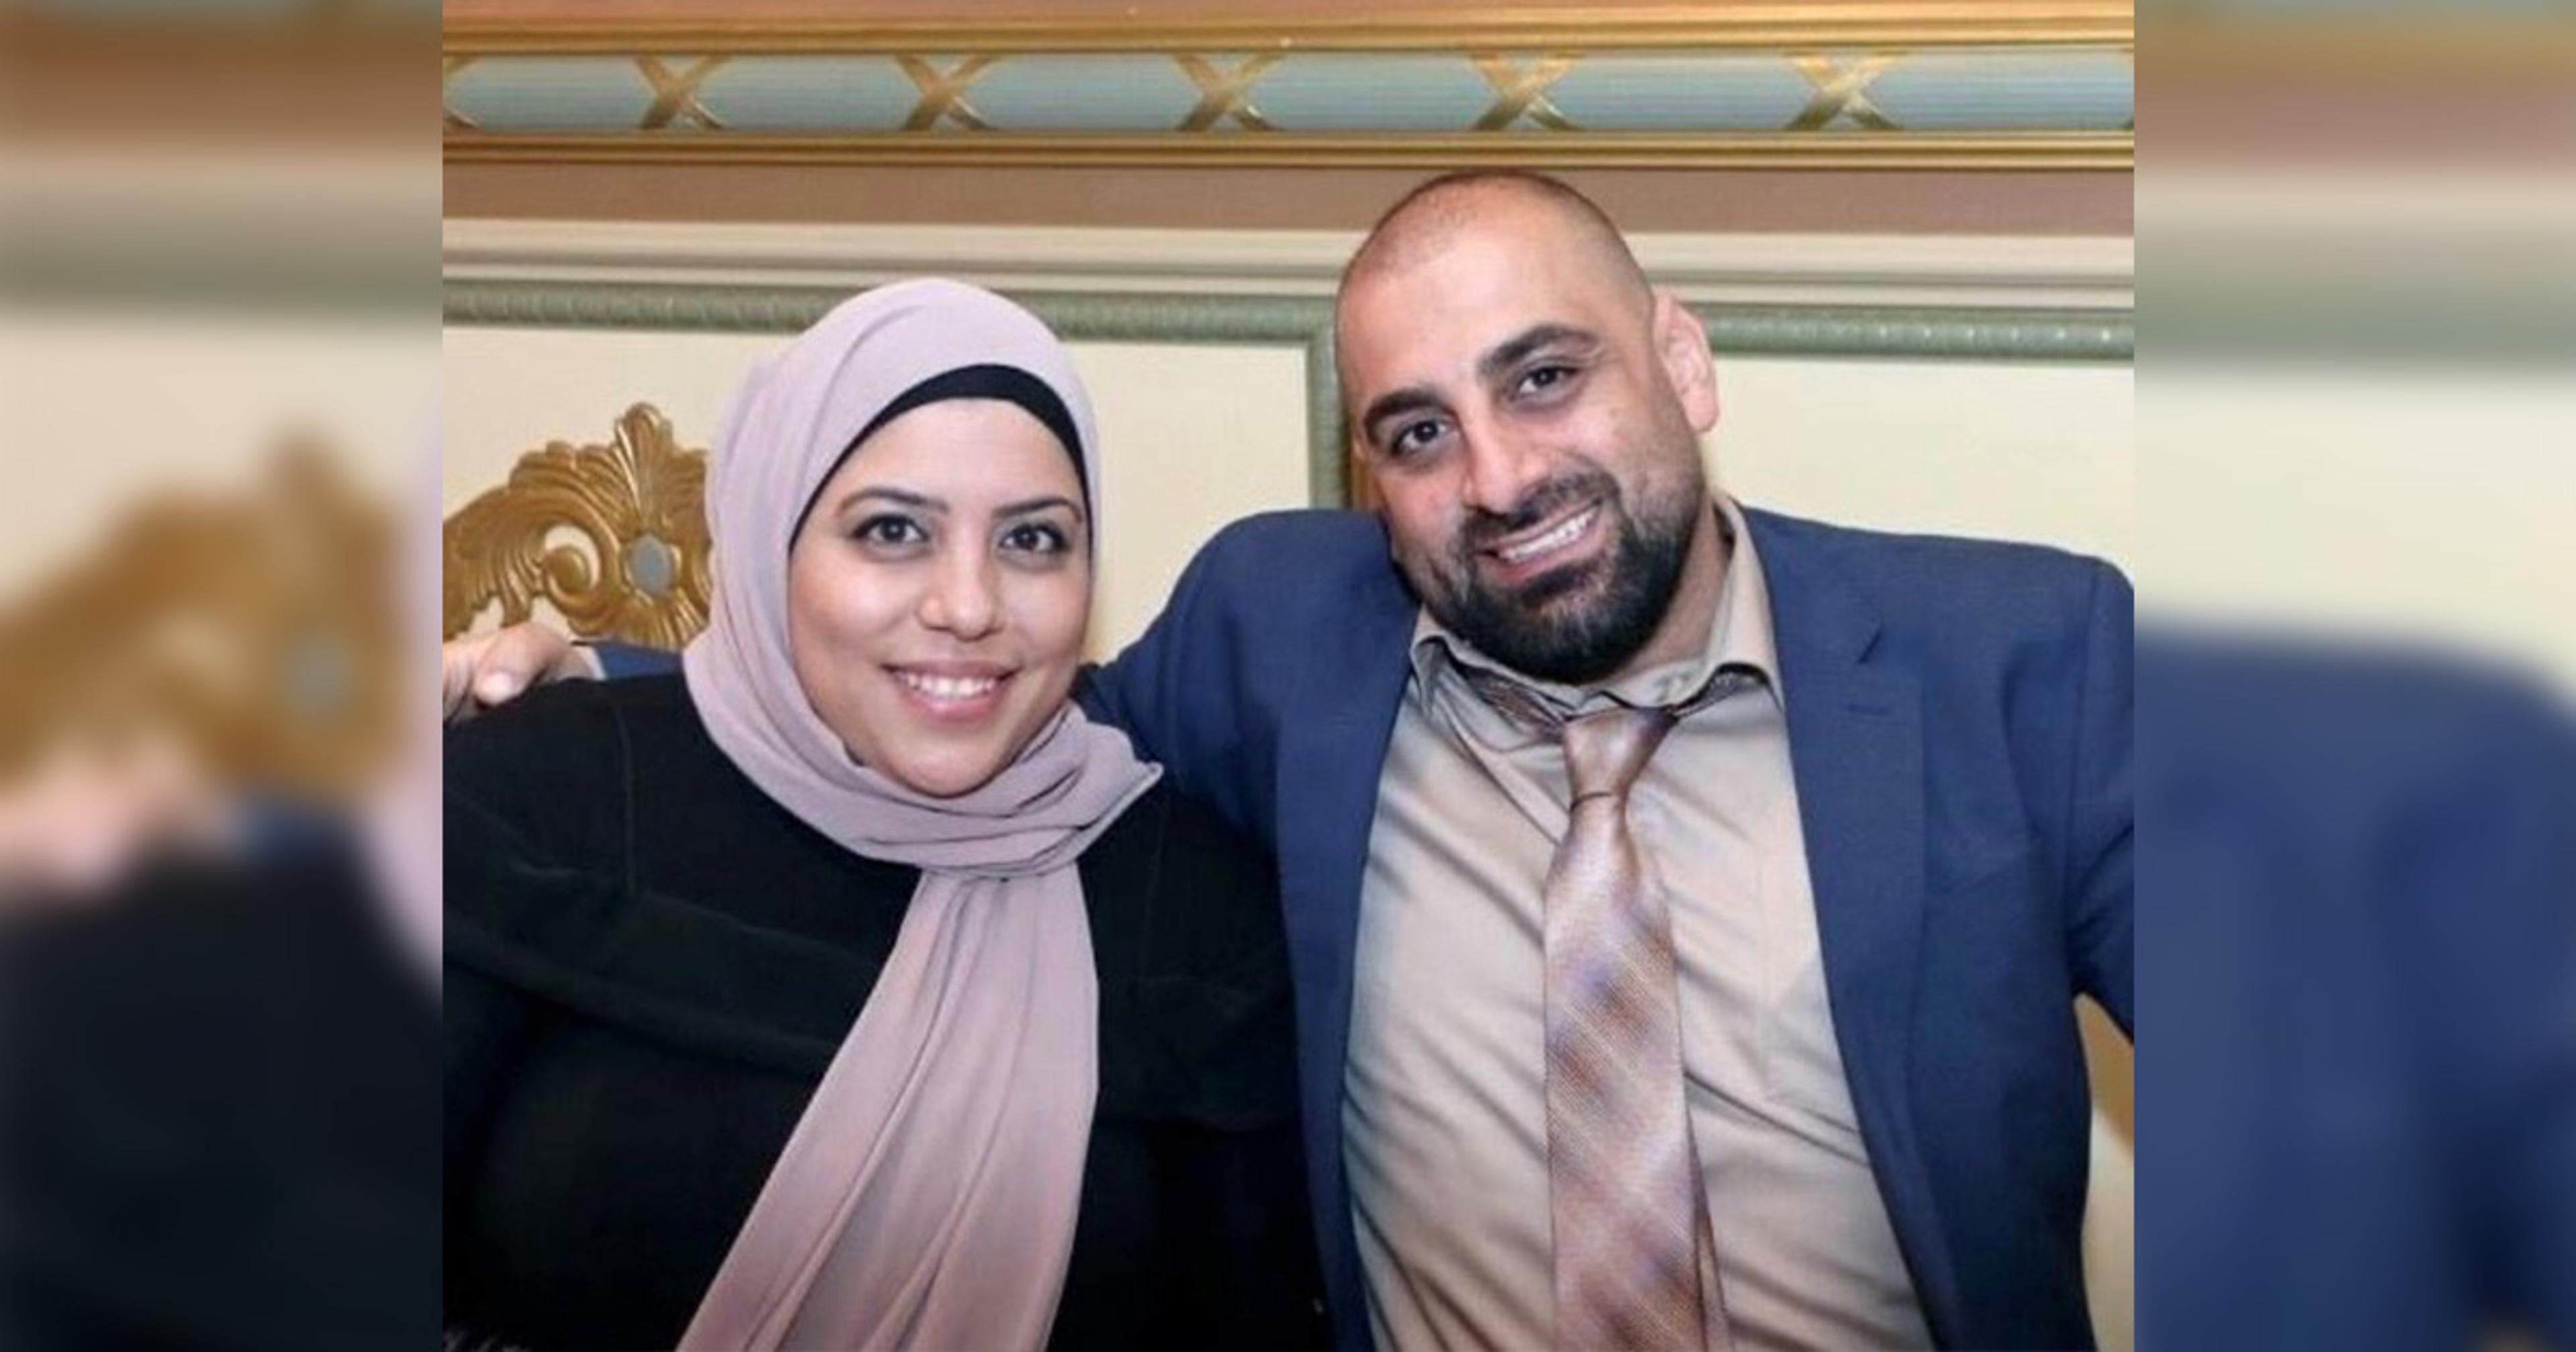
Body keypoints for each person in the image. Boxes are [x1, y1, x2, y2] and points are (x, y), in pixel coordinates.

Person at [448, 173, 2133, 1351]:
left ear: (1680, 361)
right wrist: (614, 682)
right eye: (1418, 431)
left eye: (1547, 378)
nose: (1498, 477)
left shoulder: (2020, 662)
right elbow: (989, 707)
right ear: (1365, 480)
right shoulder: (1281, 631)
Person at [442, 280, 1322, 1351]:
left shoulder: (1194, 909)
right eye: (894, 530)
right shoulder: (532, 804)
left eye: (1033, 540)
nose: (969, 605)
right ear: (771, 537)